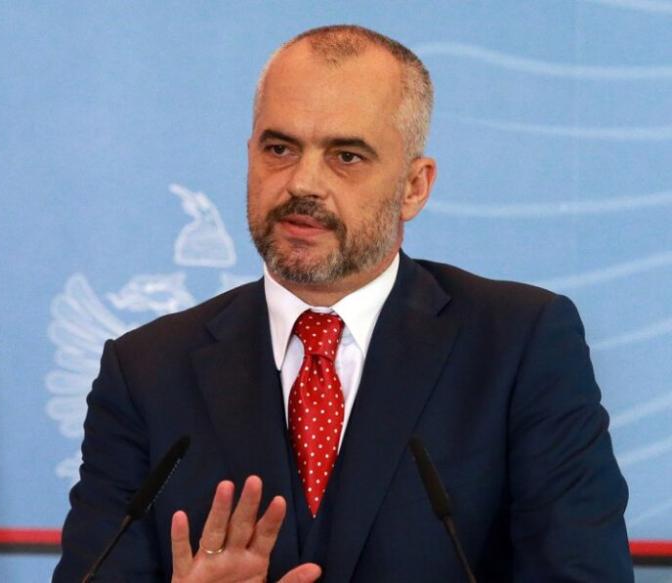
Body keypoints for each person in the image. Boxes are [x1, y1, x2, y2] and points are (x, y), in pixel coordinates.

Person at [53, 25, 633, 582]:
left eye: (346, 156)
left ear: (414, 187)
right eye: (279, 148)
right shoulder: (147, 372)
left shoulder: (518, 345)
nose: (303, 182)